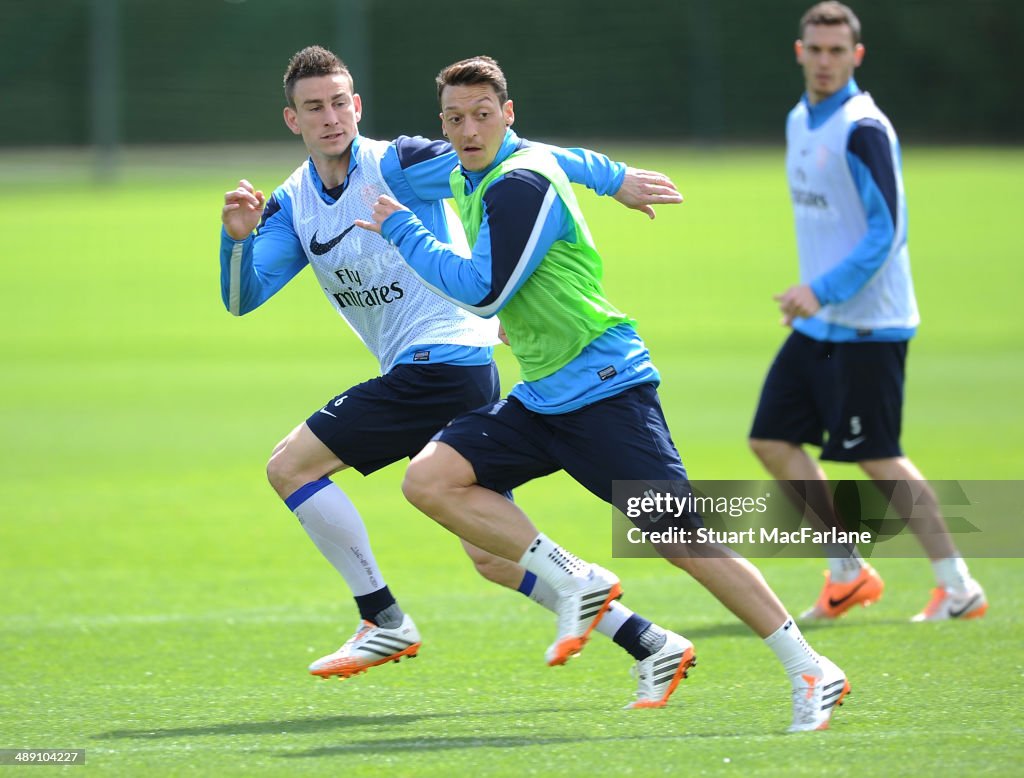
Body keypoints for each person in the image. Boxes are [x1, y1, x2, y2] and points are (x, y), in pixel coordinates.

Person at [357, 55, 849, 732]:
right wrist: (616, 179)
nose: (467, 129)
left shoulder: (517, 184)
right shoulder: (471, 167)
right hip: (546, 394)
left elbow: (484, 290)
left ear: (508, 114)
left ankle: (810, 668)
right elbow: (573, 157)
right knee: (432, 480)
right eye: (453, 118)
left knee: (681, 538)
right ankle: (579, 581)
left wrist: (402, 229)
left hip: (605, 385)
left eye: (480, 115)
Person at [218, 46, 690, 687]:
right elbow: (245, 298)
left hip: (443, 362)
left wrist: (615, 179)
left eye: (338, 103)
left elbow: (519, 153)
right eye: (313, 108)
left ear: (356, 107)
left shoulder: (399, 165)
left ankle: (383, 619)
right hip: (448, 372)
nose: (329, 117)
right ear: (292, 120)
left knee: (290, 466)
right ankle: (650, 643)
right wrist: (237, 240)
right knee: (492, 553)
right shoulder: (294, 202)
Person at [748, 2, 987, 622]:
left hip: (869, 323)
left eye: (837, 51)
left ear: (855, 57)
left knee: (877, 456)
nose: (824, 61)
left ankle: (959, 587)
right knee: (771, 440)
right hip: (821, 320)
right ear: (800, 52)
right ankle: (849, 570)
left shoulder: (863, 127)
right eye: (815, 50)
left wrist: (819, 289)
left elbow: (888, 232)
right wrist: (815, 300)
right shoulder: (800, 119)